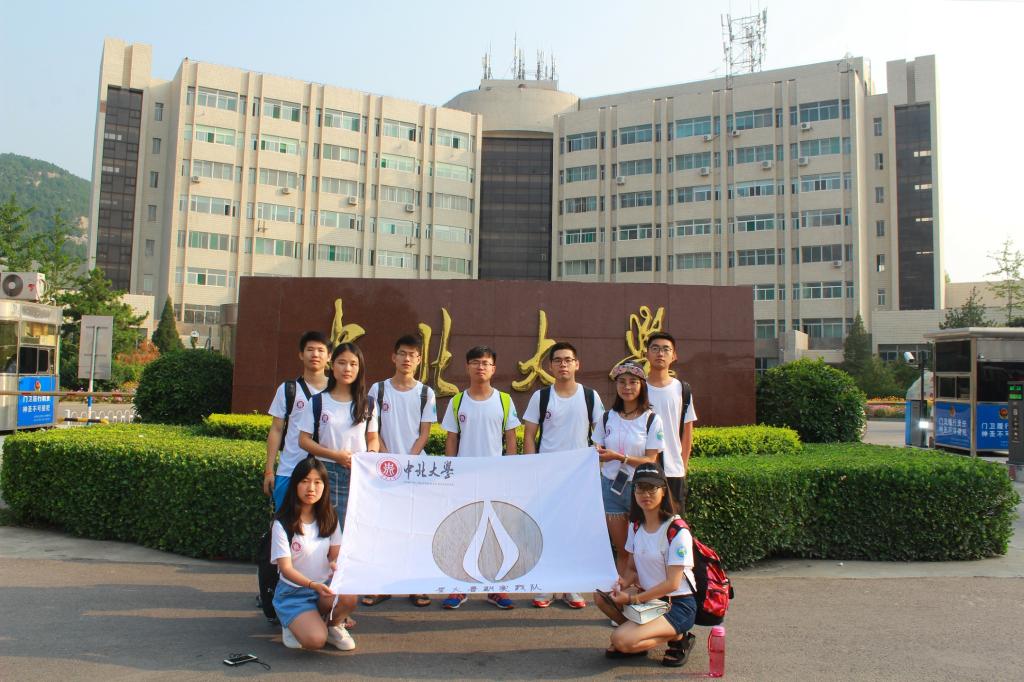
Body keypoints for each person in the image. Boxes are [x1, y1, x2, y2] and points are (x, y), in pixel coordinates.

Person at [523, 341, 604, 610]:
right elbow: (529, 435)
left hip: (578, 477)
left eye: (568, 360)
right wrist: (532, 468)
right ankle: (547, 583)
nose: (563, 365)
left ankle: (570, 584)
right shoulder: (541, 397)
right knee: (546, 529)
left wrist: (594, 466)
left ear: (577, 364)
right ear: (550, 366)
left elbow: (600, 434)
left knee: (573, 530)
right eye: (557, 360)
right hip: (547, 476)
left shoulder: (590, 396)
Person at [439, 345, 521, 609]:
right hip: (464, 478)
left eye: (485, 363)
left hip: (495, 478)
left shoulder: (504, 401)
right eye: (475, 362)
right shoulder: (457, 402)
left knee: (495, 533)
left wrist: (509, 472)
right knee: (463, 531)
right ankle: (459, 586)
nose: (480, 367)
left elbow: (511, 439)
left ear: (493, 368)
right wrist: (451, 474)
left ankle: (495, 588)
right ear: (467, 367)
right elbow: (452, 439)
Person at [593, 462, 697, 667]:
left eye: (652, 488)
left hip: (677, 604)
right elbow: (632, 569)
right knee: (601, 597)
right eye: (640, 488)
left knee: (620, 640)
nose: (645, 494)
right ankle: (640, 638)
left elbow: (673, 584)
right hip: (650, 600)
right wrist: (622, 584)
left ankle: (679, 638)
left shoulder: (677, 531)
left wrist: (633, 598)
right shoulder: (636, 525)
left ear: (663, 491)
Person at [362, 334, 437, 609]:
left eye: (413, 355)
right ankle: (380, 585)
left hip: (415, 470)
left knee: (416, 529)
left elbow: (424, 433)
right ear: (393, 357)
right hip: (384, 470)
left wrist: (408, 461)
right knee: (384, 530)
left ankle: (416, 586)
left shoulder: (426, 393)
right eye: (402, 353)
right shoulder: (378, 390)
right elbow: (373, 429)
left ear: (419, 360)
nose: (407, 359)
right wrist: (389, 459)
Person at [271, 456, 359, 651]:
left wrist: (335, 564)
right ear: (295, 485)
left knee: (349, 597)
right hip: (293, 593)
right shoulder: (282, 523)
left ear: (324, 486)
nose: (311, 488)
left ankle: (333, 625)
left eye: (317, 482)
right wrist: (312, 585)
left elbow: (335, 554)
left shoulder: (329, 517)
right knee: (315, 641)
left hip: (323, 588)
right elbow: (285, 569)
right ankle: (290, 623)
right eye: (305, 481)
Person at [593, 360, 664, 578]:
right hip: (611, 488)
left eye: (633, 382)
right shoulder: (607, 417)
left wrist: (619, 457)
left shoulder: (652, 419)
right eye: (622, 382)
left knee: (644, 549)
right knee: (622, 549)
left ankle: (647, 591)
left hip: (642, 490)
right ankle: (622, 592)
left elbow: (651, 460)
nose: (627, 387)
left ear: (642, 385)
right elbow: (596, 450)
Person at [298, 341, 379, 531]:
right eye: (342, 363)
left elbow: (373, 438)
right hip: (325, 473)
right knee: (327, 529)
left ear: (360, 368)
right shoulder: (318, 401)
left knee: (356, 529)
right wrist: (335, 455)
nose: (347, 368)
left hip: (358, 474)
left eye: (353, 364)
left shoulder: (368, 403)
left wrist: (369, 457)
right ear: (332, 365)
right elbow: (304, 440)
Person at [264, 331, 330, 511]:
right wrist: (269, 470)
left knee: (323, 525)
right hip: (290, 470)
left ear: (329, 356)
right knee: (285, 523)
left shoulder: (338, 391)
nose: (315, 354)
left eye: (320, 350)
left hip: (326, 473)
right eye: (310, 350)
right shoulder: (288, 389)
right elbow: (276, 430)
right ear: (301, 354)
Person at [645, 332, 697, 515]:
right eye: (655, 348)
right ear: (646, 354)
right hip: (644, 469)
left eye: (666, 349)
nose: (660, 353)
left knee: (674, 523)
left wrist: (683, 467)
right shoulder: (638, 389)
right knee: (645, 524)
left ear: (674, 356)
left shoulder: (682, 390)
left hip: (674, 471)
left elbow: (687, 433)